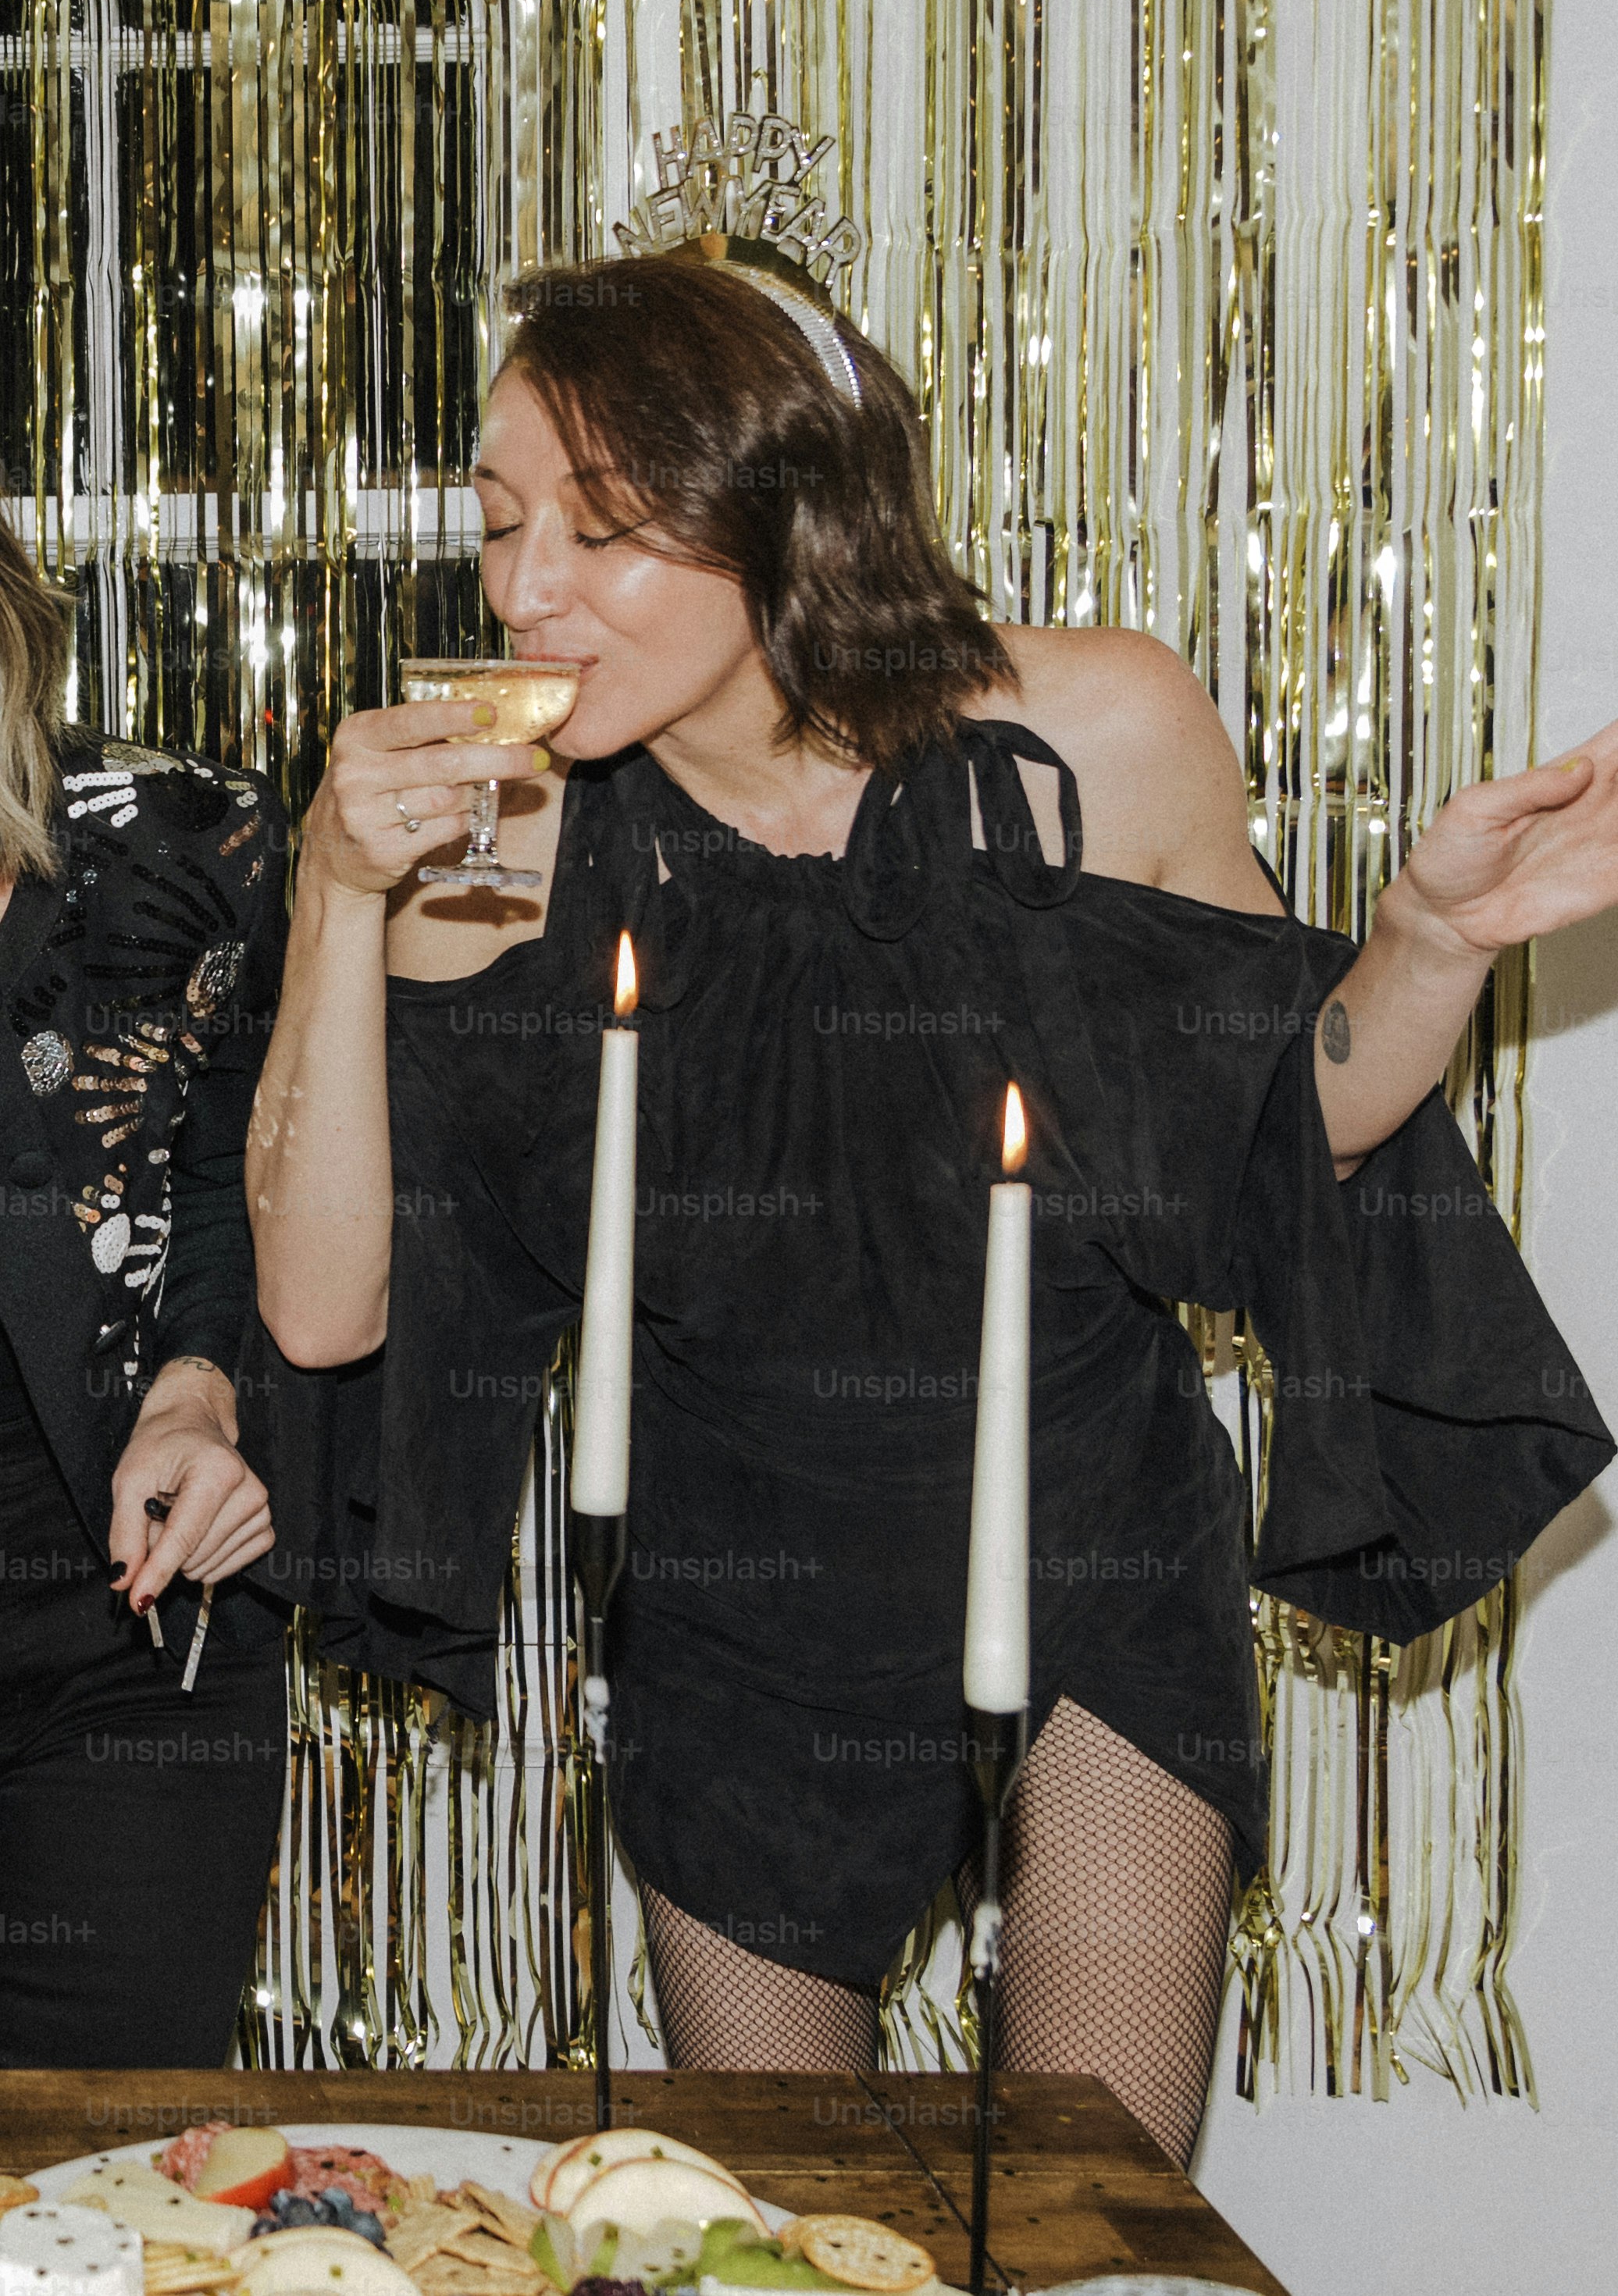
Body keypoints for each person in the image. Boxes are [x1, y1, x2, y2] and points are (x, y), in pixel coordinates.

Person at [241, 247, 1615, 2164]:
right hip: (731, 1609)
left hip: (1092, 1554)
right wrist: (335, 895)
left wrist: (1429, 935)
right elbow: (319, 1313)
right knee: (794, 2244)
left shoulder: (1094, 729)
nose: (524, 589)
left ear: (784, 508)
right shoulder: (500, 828)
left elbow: (1282, 1135)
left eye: (602, 528)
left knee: (1087, 2209)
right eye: (498, 522)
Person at [0, 510, 290, 2066]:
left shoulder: (180, 848)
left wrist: (200, 1387)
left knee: (97, 2196)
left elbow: (235, 1176)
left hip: (127, 1651)